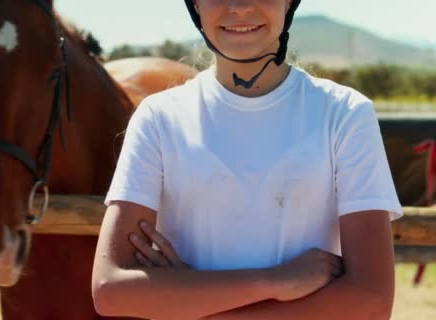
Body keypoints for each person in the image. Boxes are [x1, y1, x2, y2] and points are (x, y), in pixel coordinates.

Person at [92, 0, 403, 319]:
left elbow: (372, 301)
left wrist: (190, 304)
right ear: (196, 4)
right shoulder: (157, 119)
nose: (239, 6)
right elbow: (110, 289)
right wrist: (273, 281)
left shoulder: (345, 114)